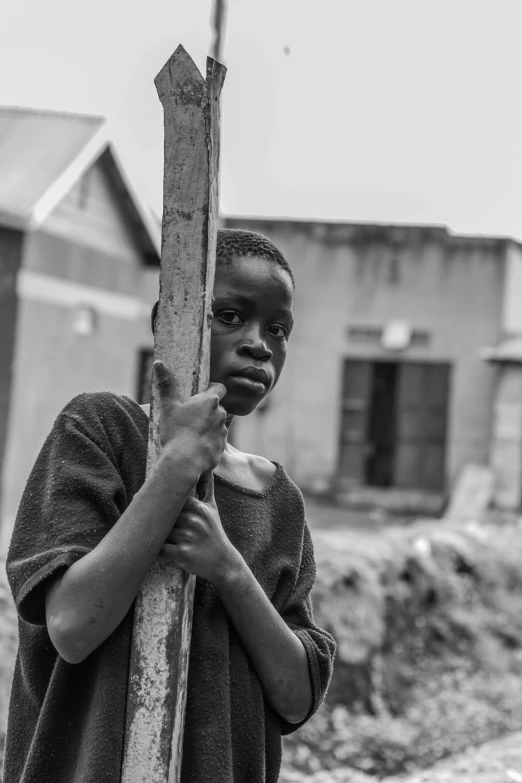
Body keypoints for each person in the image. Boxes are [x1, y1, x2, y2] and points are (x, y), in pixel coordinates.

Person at [4, 229, 336, 783]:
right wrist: (177, 467)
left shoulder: (278, 500)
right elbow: (71, 626)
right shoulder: (101, 430)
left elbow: (297, 697)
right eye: (229, 316)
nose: (259, 344)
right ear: (171, 320)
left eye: (278, 330)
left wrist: (228, 567)